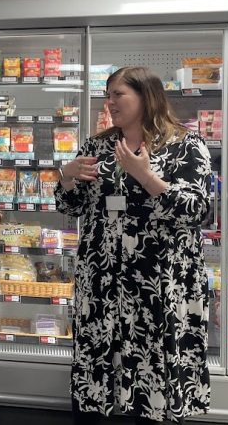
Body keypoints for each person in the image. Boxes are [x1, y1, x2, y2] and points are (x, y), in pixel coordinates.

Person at [55, 66, 211, 425]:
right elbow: (71, 207)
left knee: (155, 363)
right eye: (107, 96)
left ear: (146, 96)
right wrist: (65, 177)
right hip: (102, 279)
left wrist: (145, 175)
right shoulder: (98, 144)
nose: (109, 103)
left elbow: (196, 210)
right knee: (99, 364)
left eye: (118, 95)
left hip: (159, 281)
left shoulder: (186, 145)